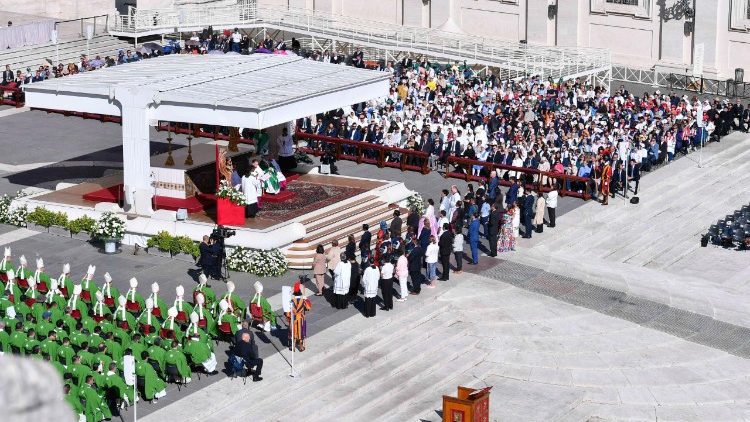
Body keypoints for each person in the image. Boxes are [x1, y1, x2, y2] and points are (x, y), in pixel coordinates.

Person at [286, 281, 311, 351]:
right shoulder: (303, 301)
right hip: (301, 318)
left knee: (293, 332)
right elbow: (308, 307)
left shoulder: (291, 301)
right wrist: (306, 299)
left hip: (293, 318)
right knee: (301, 332)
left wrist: (288, 317)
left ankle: (293, 347)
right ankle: (301, 347)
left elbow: (288, 312)